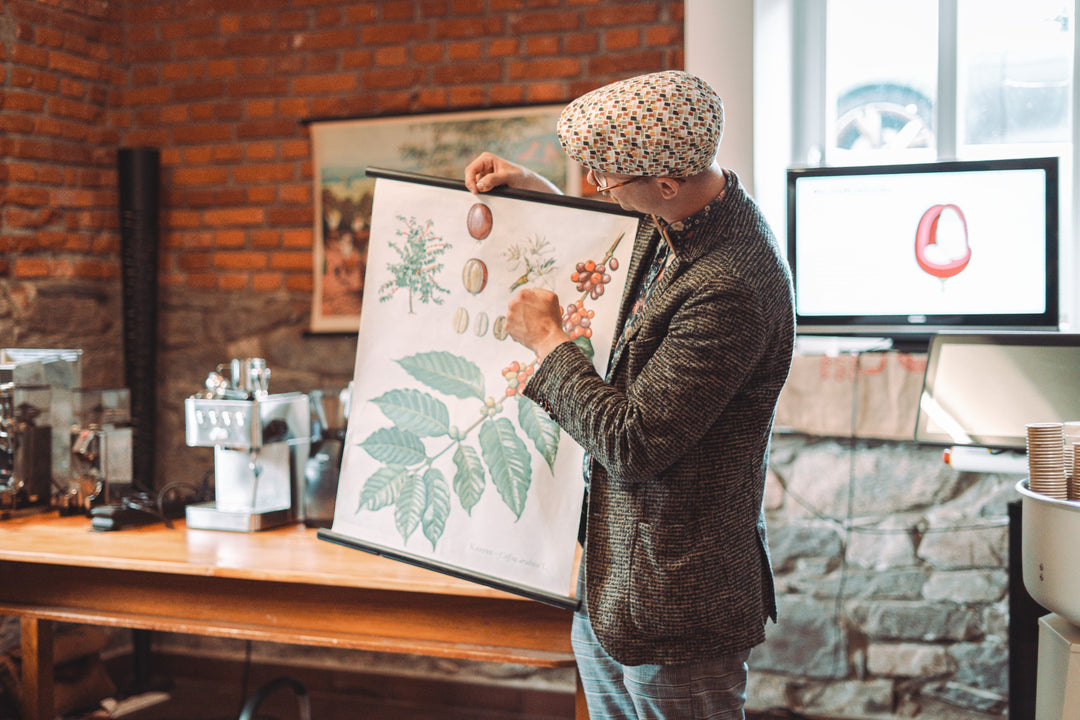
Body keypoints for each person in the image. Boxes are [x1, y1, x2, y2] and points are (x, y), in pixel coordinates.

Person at [464, 70, 795, 720]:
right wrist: (536, 191)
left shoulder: (733, 282)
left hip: (676, 601)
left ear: (666, 182)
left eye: (607, 178)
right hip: (611, 581)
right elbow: (611, 244)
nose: (596, 186)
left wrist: (550, 343)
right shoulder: (680, 213)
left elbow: (634, 441)